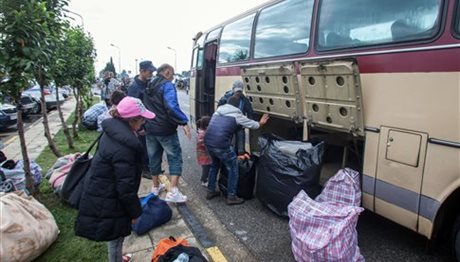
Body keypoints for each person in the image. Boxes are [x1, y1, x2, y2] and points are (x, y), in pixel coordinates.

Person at [75, 96, 156, 262]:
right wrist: (134, 212)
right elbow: (125, 188)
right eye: (142, 119)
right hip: (110, 197)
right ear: (133, 120)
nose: (143, 123)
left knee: (114, 235)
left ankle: (118, 257)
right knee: (116, 236)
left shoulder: (114, 131)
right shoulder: (124, 147)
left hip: (104, 190)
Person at [205, 95, 269, 205]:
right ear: (238, 105)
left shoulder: (218, 111)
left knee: (215, 165)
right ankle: (231, 196)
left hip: (209, 142)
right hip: (221, 145)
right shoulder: (237, 114)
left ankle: (210, 191)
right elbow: (254, 125)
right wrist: (261, 122)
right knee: (233, 167)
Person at [143, 63, 191, 203]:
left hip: (150, 128)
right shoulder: (167, 85)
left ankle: (155, 187)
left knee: (153, 158)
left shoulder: (149, 84)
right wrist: (183, 122)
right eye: (173, 74)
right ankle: (174, 191)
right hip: (165, 129)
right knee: (174, 157)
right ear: (167, 72)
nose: (173, 77)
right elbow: (171, 106)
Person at [128, 60, 157, 176]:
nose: (151, 74)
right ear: (142, 71)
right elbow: (133, 109)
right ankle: (145, 170)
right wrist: (139, 128)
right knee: (143, 147)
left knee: (149, 147)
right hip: (140, 124)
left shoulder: (147, 84)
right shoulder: (134, 87)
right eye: (150, 72)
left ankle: (150, 167)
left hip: (147, 121)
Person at [217, 80, 254, 155]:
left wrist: (247, 123)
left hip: (239, 125)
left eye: (240, 91)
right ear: (233, 89)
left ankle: (239, 159)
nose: (238, 93)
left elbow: (250, 112)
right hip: (228, 125)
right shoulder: (226, 97)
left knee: (241, 148)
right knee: (228, 145)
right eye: (237, 91)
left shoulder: (244, 100)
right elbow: (219, 108)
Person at [196, 116, 211, 187]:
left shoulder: (202, 132)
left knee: (207, 167)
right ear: (206, 126)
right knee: (206, 168)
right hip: (204, 155)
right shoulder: (202, 134)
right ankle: (204, 180)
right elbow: (202, 144)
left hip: (204, 154)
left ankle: (206, 178)